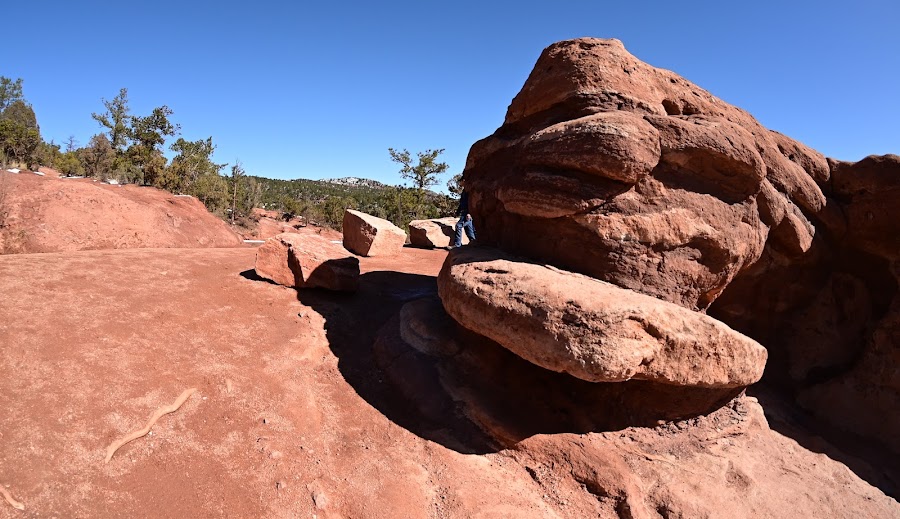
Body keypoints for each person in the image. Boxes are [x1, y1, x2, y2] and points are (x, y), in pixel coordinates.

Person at [452, 176, 476, 248]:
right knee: (468, 229)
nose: (459, 183)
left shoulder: (468, 191)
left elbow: (470, 202)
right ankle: (474, 243)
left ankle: (457, 244)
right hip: (464, 212)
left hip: (466, 213)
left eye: (460, 181)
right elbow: (462, 203)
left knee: (458, 226)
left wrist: (469, 213)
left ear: (464, 181)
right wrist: (457, 212)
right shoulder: (464, 191)